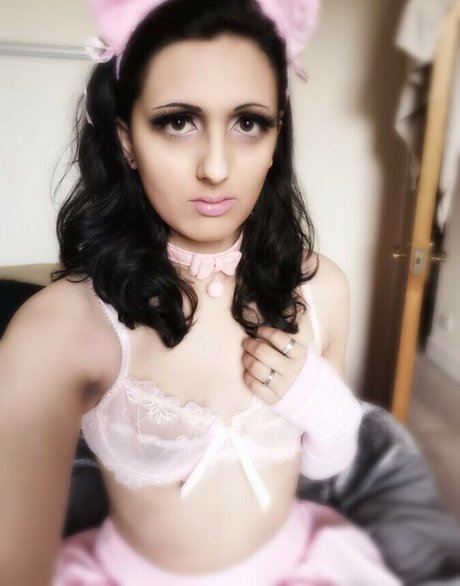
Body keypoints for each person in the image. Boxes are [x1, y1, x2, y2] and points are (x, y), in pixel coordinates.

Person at [0, 0, 402, 584]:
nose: (216, 168)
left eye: (248, 122)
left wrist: (321, 403)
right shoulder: (59, 326)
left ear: (276, 135)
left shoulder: (322, 290)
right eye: (177, 122)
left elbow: (327, 466)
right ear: (126, 139)